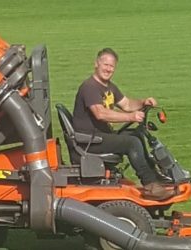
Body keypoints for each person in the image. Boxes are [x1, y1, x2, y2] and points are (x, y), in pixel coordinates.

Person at [72, 48, 175, 201]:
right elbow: (100, 113)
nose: (108, 69)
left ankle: (155, 177)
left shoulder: (109, 87)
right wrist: (130, 117)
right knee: (131, 143)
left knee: (137, 135)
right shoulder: (89, 87)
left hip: (101, 136)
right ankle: (150, 186)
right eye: (105, 64)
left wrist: (143, 102)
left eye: (111, 66)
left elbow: (126, 104)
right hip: (90, 141)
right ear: (96, 64)